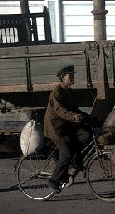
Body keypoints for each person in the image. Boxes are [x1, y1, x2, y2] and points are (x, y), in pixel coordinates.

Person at [43, 64, 89, 193]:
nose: (73, 78)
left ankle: (75, 161)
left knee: (85, 134)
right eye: (70, 76)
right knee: (66, 154)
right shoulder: (56, 92)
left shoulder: (69, 92)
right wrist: (73, 116)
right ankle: (53, 180)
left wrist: (87, 117)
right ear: (63, 78)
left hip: (66, 126)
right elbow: (59, 110)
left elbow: (74, 109)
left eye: (73, 76)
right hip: (56, 129)